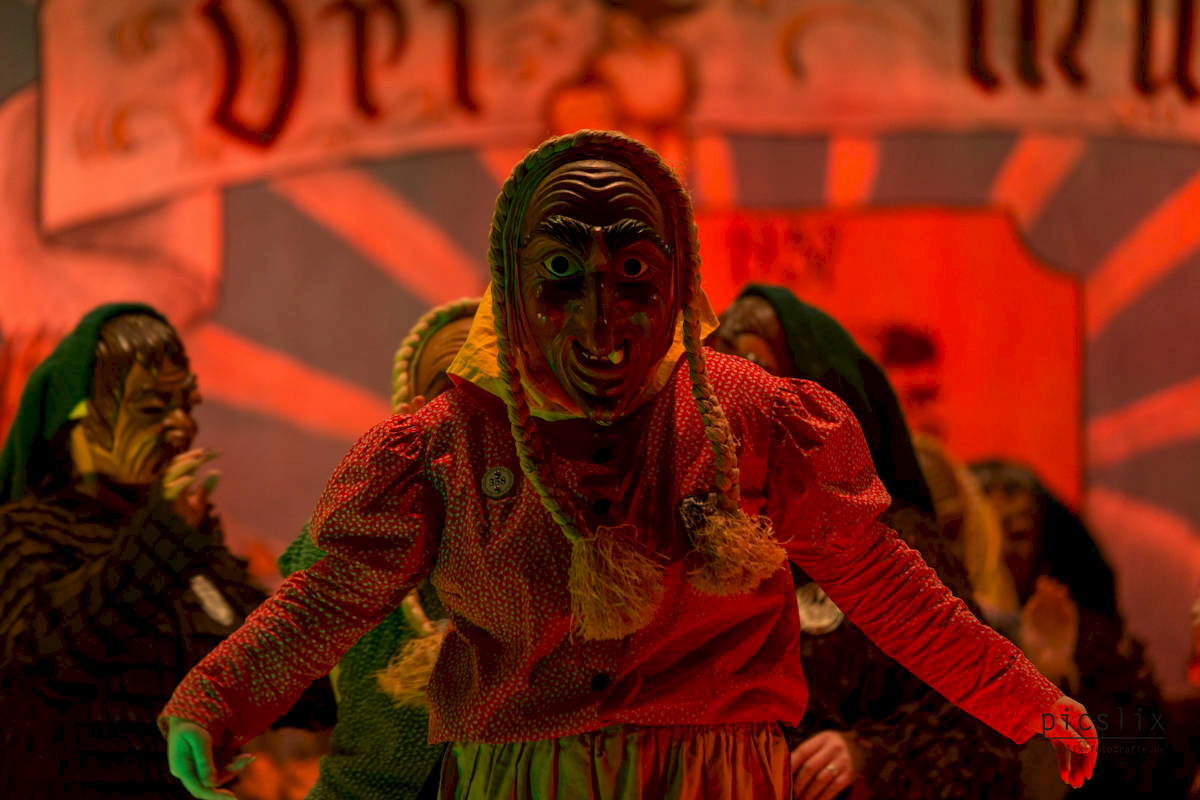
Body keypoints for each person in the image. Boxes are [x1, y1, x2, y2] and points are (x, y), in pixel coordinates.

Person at [161, 131, 1095, 800]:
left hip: (717, 779)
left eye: (635, 271)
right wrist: (214, 699)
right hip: (522, 779)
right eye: (563, 272)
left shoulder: (751, 420)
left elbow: (886, 585)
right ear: (513, 281)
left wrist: (1025, 700)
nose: (601, 312)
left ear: (678, 276)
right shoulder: (447, 443)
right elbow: (329, 598)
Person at [0, 304, 331, 799]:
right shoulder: (23, 535)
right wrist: (163, 539)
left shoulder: (196, 553)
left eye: (185, 406)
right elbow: (41, 667)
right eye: (153, 409)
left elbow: (304, 691)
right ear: (78, 418)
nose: (181, 427)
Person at [712, 285, 1024, 799]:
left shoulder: (895, 543)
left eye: (754, 368)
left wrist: (871, 755)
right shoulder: (707, 548)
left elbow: (984, 728)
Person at [276, 297, 478, 800]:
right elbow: (297, 619)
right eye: (447, 395)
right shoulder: (368, 524)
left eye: (488, 392)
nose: (467, 416)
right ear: (411, 410)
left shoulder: (563, 538)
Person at [970, 460, 1182, 798]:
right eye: (984, 535)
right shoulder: (941, 634)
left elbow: (1150, 757)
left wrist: (1056, 680)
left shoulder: (1090, 635)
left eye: (1016, 533)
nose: (1001, 551)